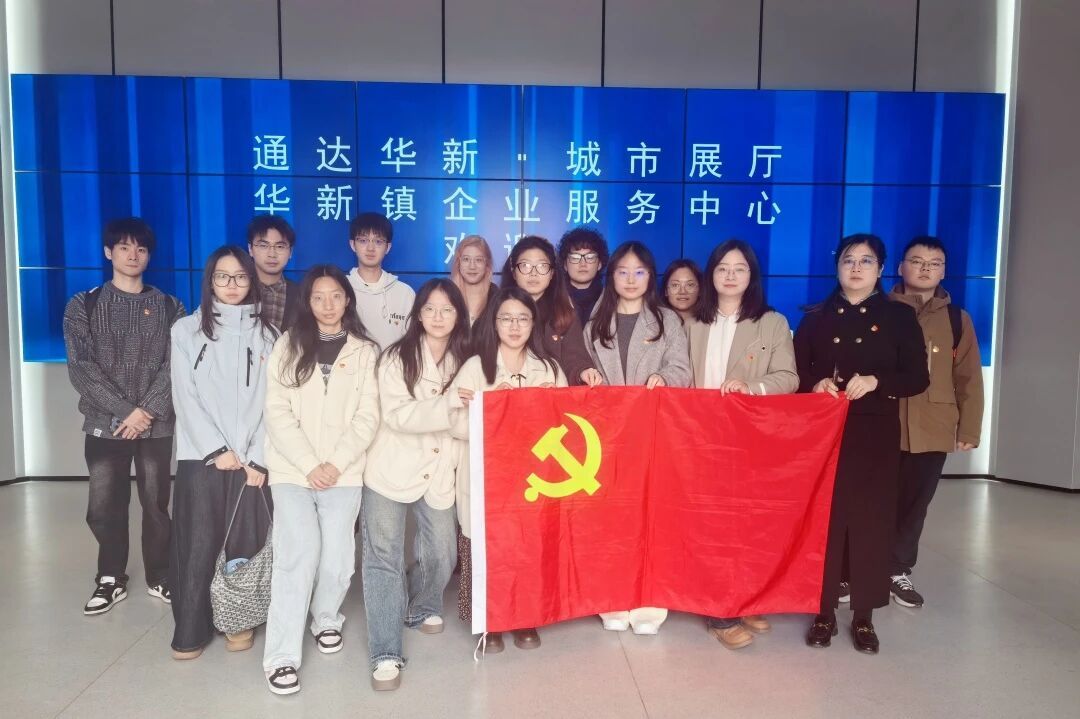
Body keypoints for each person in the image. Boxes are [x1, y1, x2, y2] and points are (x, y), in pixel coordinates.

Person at [794, 234, 929, 654]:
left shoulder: (899, 317)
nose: (856, 268)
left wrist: (876, 381)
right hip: (823, 432)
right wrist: (813, 383)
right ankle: (823, 611)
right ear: (837, 267)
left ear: (881, 269)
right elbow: (795, 372)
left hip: (874, 432)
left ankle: (865, 616)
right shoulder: (816, 317)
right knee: (826, 520)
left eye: (866, 261)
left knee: (871, 520)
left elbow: (918, 378)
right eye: (848, 260)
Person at [261, 265, 380, 695]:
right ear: (307, 302)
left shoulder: (366, 351)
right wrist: (310, 464)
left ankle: (326, 617)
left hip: (343, 473)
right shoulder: (287, 345)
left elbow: (368, 415)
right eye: (318, 297)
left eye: (335, 296)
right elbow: (276, 411)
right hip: (292, 470)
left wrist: (335, 463)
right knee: (297, 556)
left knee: (337, 558)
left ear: (347, 300)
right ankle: (281, 657)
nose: (327, 305)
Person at [63, 217, 185, 616]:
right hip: (105, 425)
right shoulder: (84, 304)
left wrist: (145, 412)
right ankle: (110, 577)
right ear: (108, 252)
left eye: (141, 249)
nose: (133, 255)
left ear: (149, 255)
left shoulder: (171, 306)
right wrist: (126, 411)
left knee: (156, 506)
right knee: (104, 506)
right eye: (124, 247)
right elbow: (81, 367)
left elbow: (175, 366)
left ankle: (160, 575)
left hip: (155, 426)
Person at [685, 239, 798, 649]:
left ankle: (745, 597)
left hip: (749, 437)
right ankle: (721, 612)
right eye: (722, 268)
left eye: (739, 268)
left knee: (747, 524)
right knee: (712, 525)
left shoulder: (771, 322)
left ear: (752, 275)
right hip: (698, 438)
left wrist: (752, 388)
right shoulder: (692, 322)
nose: (730, 275)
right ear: (710, 275)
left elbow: (789, 377)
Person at [361, 279, 471, 691]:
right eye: (430, 309)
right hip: (390, 467)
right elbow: (398, 416)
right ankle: (385, 652)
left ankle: (420, 605)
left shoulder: (469, 359)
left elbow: (474, 418)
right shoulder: (396, 357)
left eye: (447, 309)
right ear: (418, 314)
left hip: (440, 469)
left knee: (442, 552)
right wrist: (449, 405)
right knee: (382, 558)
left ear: (459, 315)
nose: (438, 317)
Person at [168, 246, 277, 660]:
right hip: (201, 455)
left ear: (252, 281)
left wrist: (257, 455)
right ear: (210, 281)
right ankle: (190, 628)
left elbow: (275, 404)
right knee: (198, 542)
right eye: (222, 277)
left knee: (244, 540)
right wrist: (216, 449)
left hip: (251, 460)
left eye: (240, 277)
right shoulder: (186, 330)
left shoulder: (270, 335)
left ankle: (238, 619)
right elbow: (184, 396)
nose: (232, 285)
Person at [584, 241, 690, 635]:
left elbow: (682, 370)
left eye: (639, 272)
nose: (631, 280)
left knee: (650, 517)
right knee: (609, 518)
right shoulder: (596, 322)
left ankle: (649, 600)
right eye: (623, 272)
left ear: (650, 277)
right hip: (608, 437)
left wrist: (665, 377)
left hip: (653, 435)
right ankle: (611, 597)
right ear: (611, 276)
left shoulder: (666, 320)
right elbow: (584, 372)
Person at [453, 287, 567, 652]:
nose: (514, 327)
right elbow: (453, 422)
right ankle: (488, 622)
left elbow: (567, 426)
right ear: (494, 323)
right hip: (488, 479)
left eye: (522, 319)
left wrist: (550, 405)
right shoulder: (475, 367)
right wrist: (489, 407)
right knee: (488, 548)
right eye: (506, 319)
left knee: (528, 547)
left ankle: (525, 618)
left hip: (532, 478)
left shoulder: (548, 369)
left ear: (533, 324)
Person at [889, 236, 984, 608]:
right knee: (870, 500)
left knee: (916, 504)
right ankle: (854, 569)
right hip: (883, 423)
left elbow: (968, 377)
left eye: (935, 263)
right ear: (901, 267)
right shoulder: (880, 309)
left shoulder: (957, 320)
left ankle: (898, 569)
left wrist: (969, 428)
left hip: (934, 426)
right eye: (917, 261)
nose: (925, 269)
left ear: (944, 271)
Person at [501, 235, 602, 387]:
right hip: (508, 393)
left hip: (553, 395)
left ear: (552, 273)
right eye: (525, 265)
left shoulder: (565, 313)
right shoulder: (498, 310)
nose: (534, 273)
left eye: (542, 266)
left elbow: (574, 357)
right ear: (514, 271)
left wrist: (583, 372)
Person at [346, 212, 415, 350]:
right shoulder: (341, 289)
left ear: (387, 247)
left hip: (394, 364)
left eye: (378, 241)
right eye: (363, 240)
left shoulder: (405, 293)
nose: (370, 248)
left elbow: (413, 342)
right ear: (353, 244)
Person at [247, 215, 300, 331]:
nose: (272, 254)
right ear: (250, 249)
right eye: (263, 246)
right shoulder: (237, 290)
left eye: (280, 246)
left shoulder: (302, 296)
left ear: (290, 252)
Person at [557, 227, 609, 327]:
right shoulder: (554, 298)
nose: (583, 264)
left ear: (599, 264)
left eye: (590, 257)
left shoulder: (609, 300)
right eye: (575, 257)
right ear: (565, 265)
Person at [449, 234, 498, 324]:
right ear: (458, 263)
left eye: (478, 260)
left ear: (487, 264)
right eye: (466, 259)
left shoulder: (497, 296)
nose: (472, 266)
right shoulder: (447, 294)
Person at [661, 259, 703, 324]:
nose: (682, 292)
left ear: (700, 290)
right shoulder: (654, 324)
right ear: (666, 291)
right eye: (675, 285)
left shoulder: (711, 325)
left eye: (690, 285)